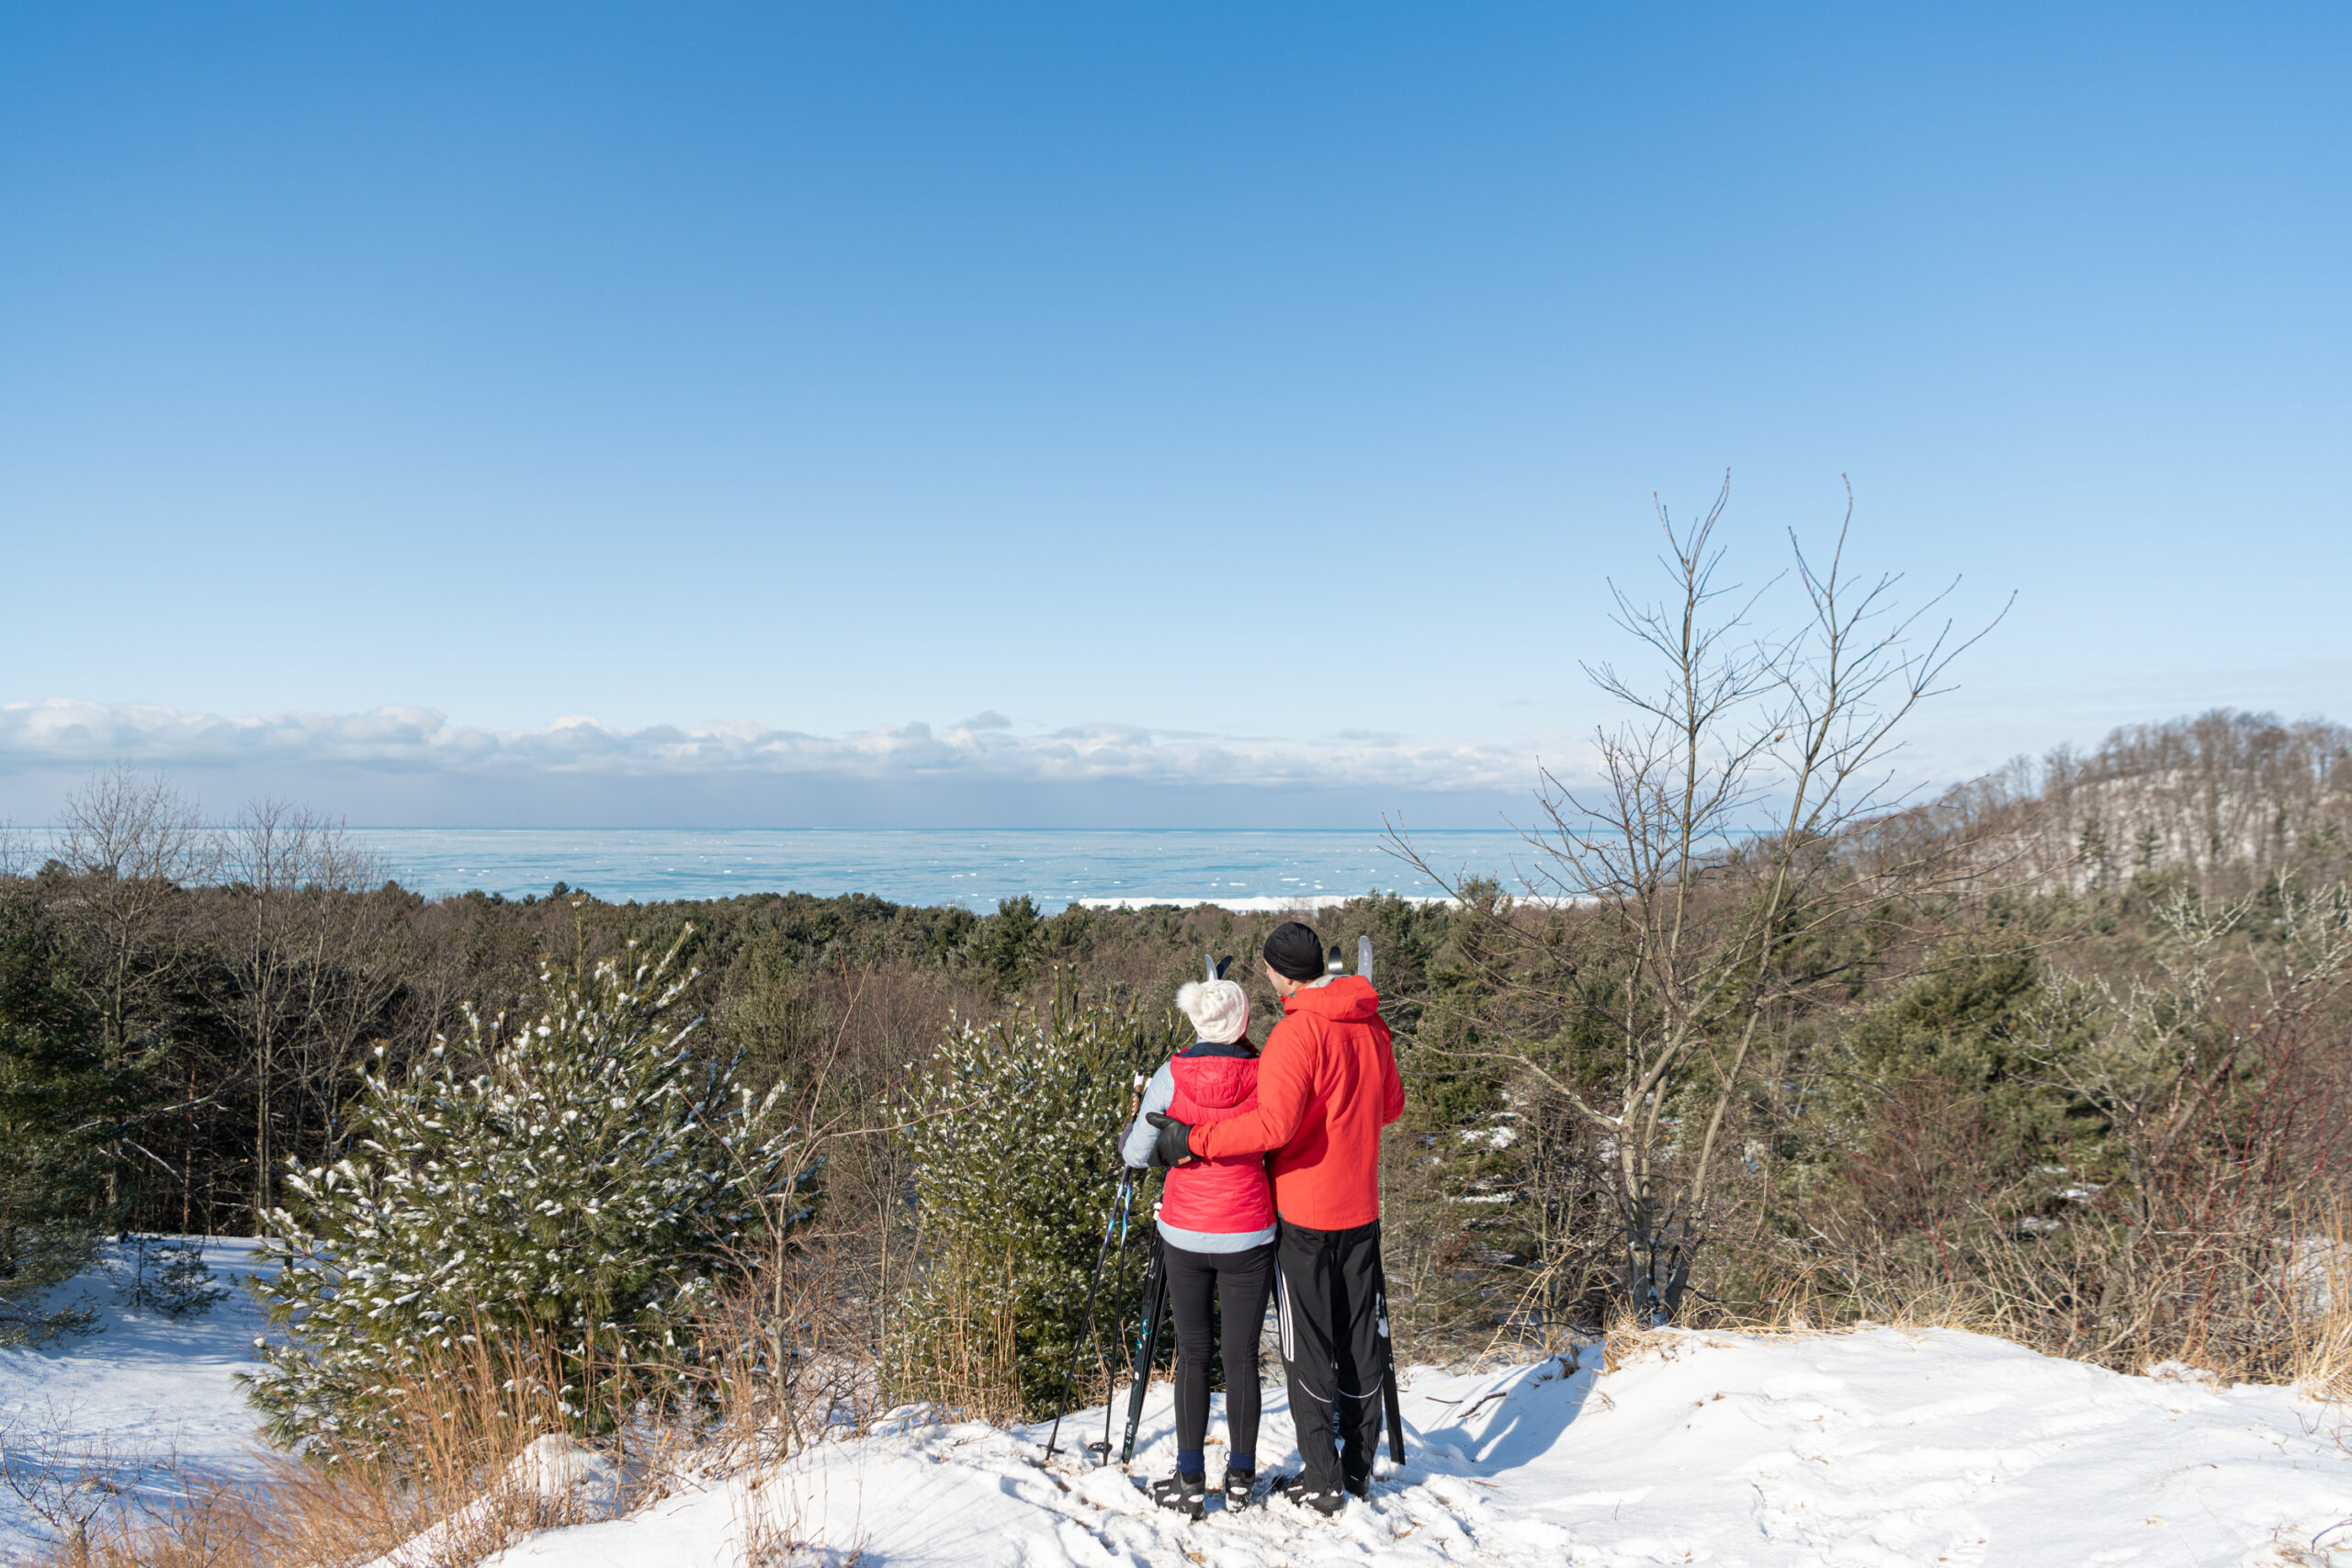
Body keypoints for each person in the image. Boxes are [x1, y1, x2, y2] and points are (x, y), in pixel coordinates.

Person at [1147, 919, 1402, 1517]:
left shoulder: (1294, 1032)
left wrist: (1195, 1139)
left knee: (1306, 1341)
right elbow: (1391, 1105)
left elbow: (1273, 1128)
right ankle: (1359, 1464)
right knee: (1359, 1333)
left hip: (1305, 1207)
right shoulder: (1371, 1024)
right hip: (1361, 1204)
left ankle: (1321, 1477)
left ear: (1277, 972)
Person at [1120, 973, 1277, 1519]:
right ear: (1243, 1021)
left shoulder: (1172, 1073)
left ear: (1195, 1020)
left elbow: (1137, 1153)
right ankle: (1240, 1477)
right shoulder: (1264, 1073)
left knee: (1193, 1353)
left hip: (1184, 1231)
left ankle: (1189, 1478)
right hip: (1249, 1232)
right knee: (1240, 1357)